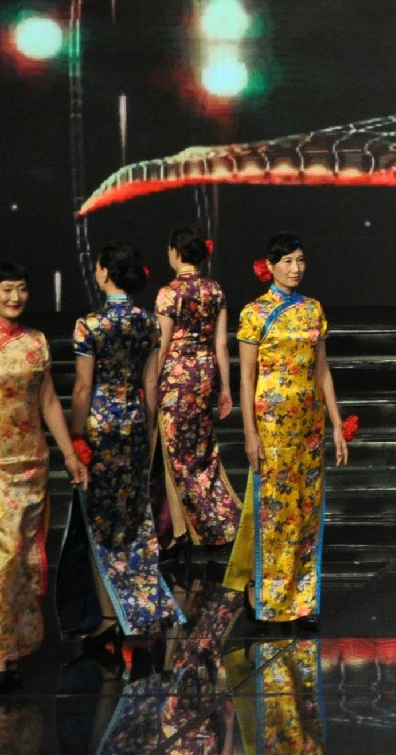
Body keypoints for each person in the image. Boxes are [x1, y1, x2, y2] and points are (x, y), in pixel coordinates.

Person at [0, 263, 86, 690]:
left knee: (25, 557)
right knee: (3, 553)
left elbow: (48, 402)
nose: (15, 297)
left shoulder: (35, 342)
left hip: (31, 462)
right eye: (7, 289)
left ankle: (16, 644)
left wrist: (69, 454)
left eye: (22, 289)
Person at [61, 244, 183, 644]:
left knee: (100, 518)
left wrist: (75, 436)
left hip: (99, 427)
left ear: (103, 273)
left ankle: (109, 611)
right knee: (133, 514)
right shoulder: (147, 322)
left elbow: (83, 388)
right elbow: (150, 383)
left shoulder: (89, 325)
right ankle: (141, 601)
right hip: (133, 423)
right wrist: (148, 429)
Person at [225, 233, 349, 626]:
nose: (296, 269)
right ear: (270, 266)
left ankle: (302, 599)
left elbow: (322, 371)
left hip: (309, 424)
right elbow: (246, 378)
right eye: (288, 262)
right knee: (276, 512)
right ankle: (267, 595)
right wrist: (250, 432)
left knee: (307, 510)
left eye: (300, 260)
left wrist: (337, 424)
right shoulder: (255, 313)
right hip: (272, 426)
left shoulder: (313, 310)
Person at [154, 227, 240, 555]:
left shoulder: (169, 293)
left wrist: (151, 381)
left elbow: (162, 346)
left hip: (176, 378)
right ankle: (213, 520)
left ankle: (192, 529)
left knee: (176, 453)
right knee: (201, 450)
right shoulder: (214, 290)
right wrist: (225, 388)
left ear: (176, 252)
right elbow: (222, 344)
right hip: (205, 374)